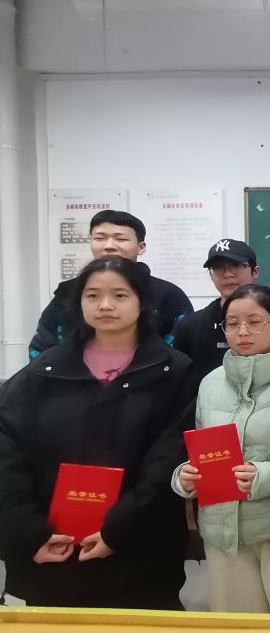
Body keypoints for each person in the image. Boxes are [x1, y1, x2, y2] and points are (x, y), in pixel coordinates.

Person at [0, 256, 197, 608]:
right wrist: (28, 532)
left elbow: (168, 463)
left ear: (142, 302)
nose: (105, 305)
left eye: (119, 295)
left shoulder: (174, 372)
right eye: (92, 296)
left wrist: (117, 531)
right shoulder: (43, 370)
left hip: (140, 555)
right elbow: (6, 450)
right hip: (53, 551)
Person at [172, 284, 270, 613]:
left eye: (255, 322)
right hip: (222, 535)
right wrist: (185, 477)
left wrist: (264, 476)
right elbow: (200, 451)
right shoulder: (210, 383)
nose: (242, 332)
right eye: (232, 323)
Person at [29, 210, 193, 358]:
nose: (109, 246)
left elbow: (184, 351)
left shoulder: (167, 294)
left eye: (121, 239)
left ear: (141, 247)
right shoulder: (68, 293)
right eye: (99, 238)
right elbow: (42, 348)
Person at [169, 239, 270, 379]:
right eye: (218, 267)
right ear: (210, 275)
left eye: (236, 265)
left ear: (255, 271)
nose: (228, 274)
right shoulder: (190, 326)